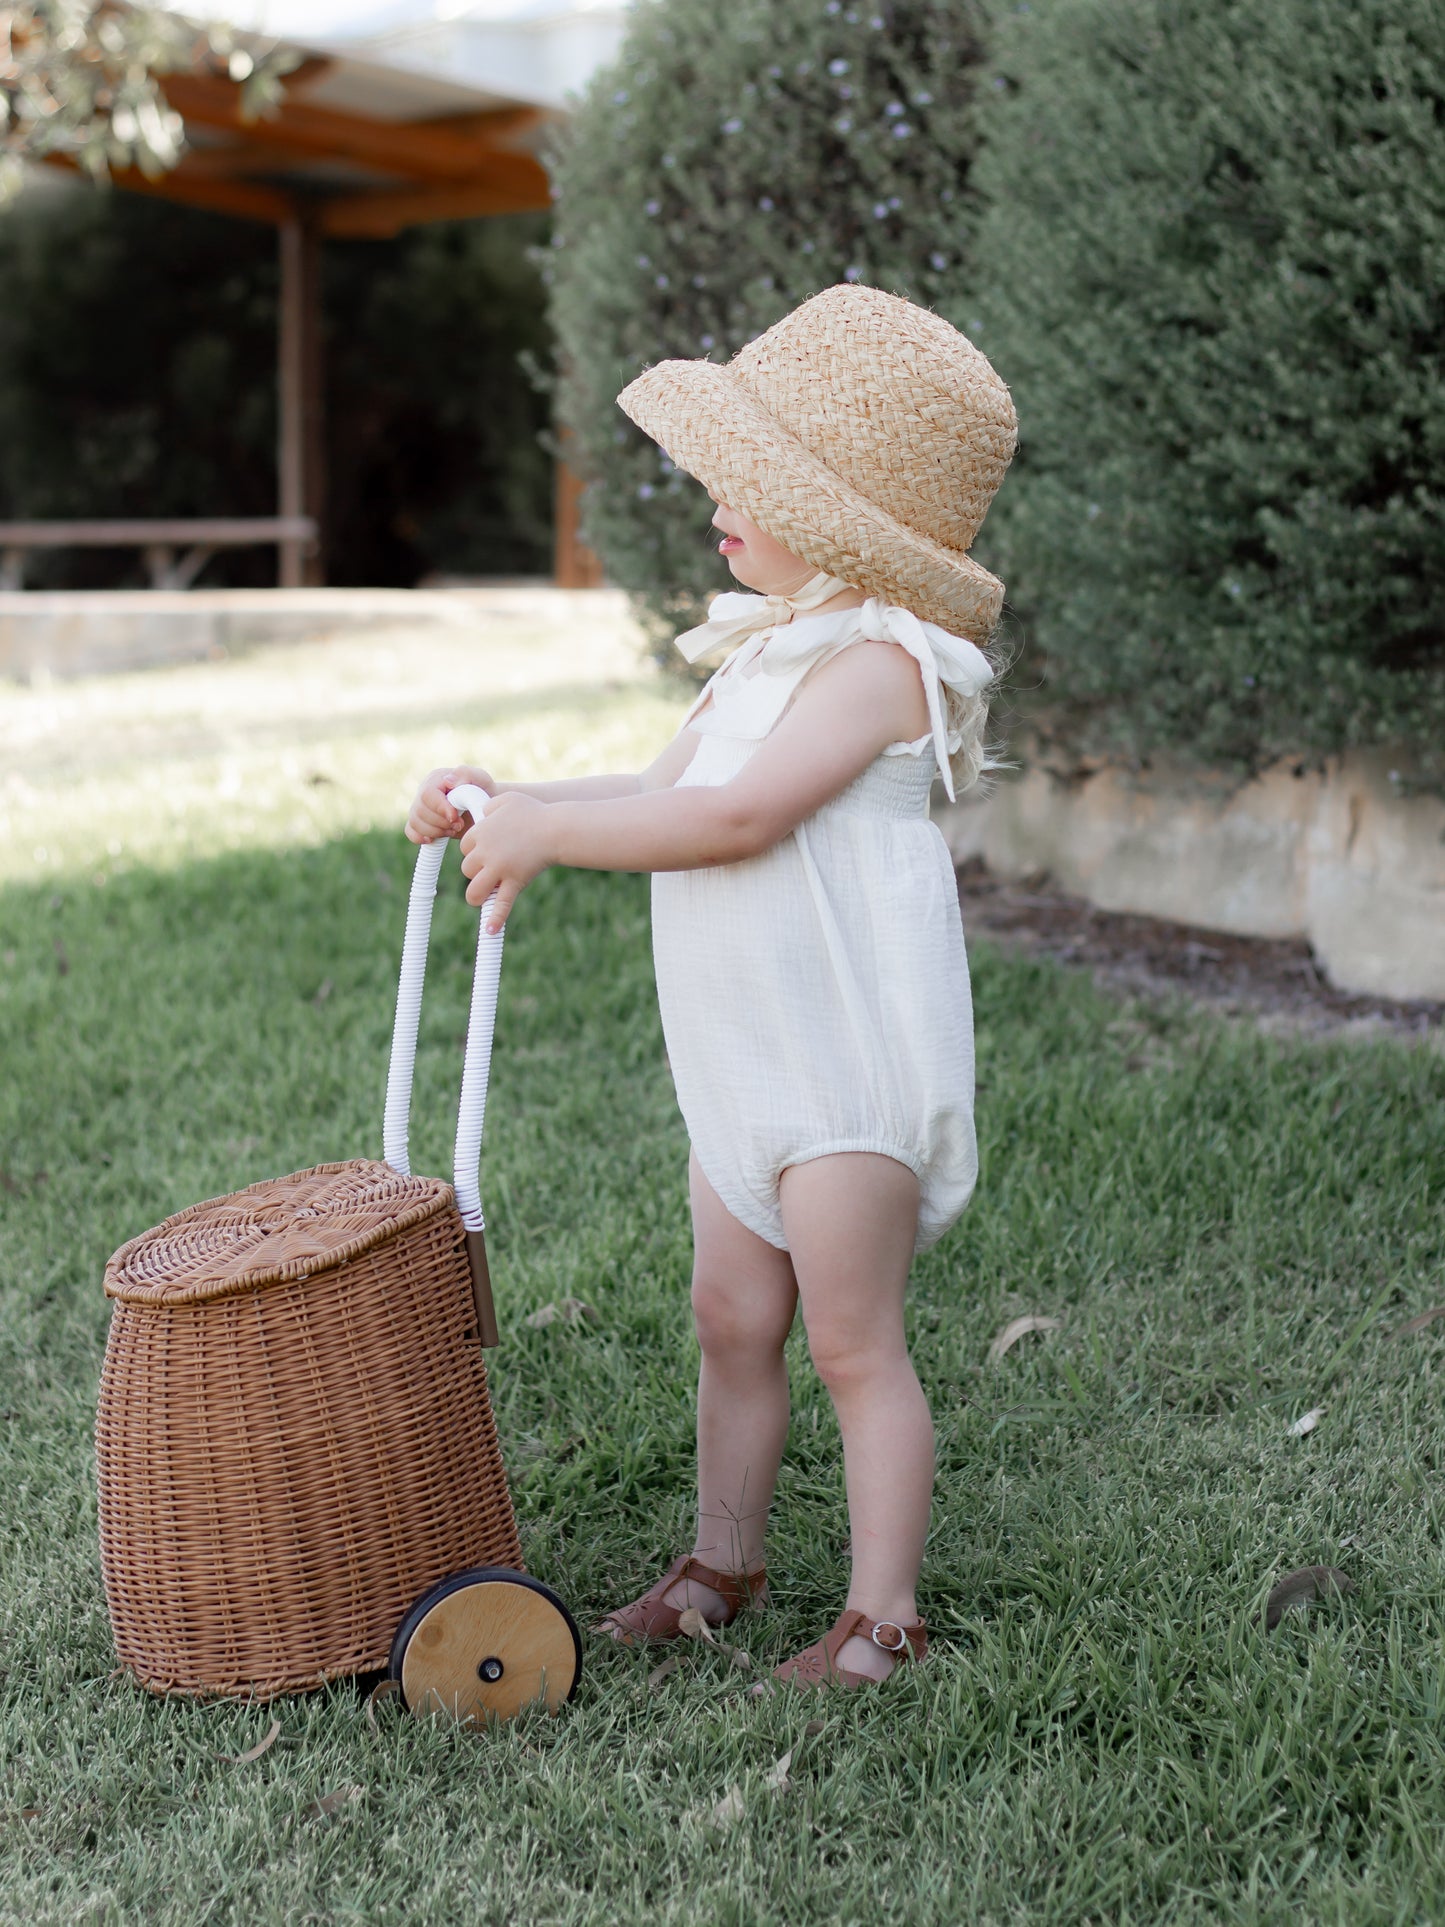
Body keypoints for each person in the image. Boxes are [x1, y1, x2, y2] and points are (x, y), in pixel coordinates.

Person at [405, 284, 1016, 1689]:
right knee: (730, 1315)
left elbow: (739, 824)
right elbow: (658, 793)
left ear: (844, 505)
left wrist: (556, 839)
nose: (713, 502)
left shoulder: (882, 669)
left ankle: (883, 1619)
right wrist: (516, 798)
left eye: (749, 481)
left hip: (843, 1073)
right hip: (744, 1066)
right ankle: (721, 1560)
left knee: (855, 1343)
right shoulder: (754, 659)